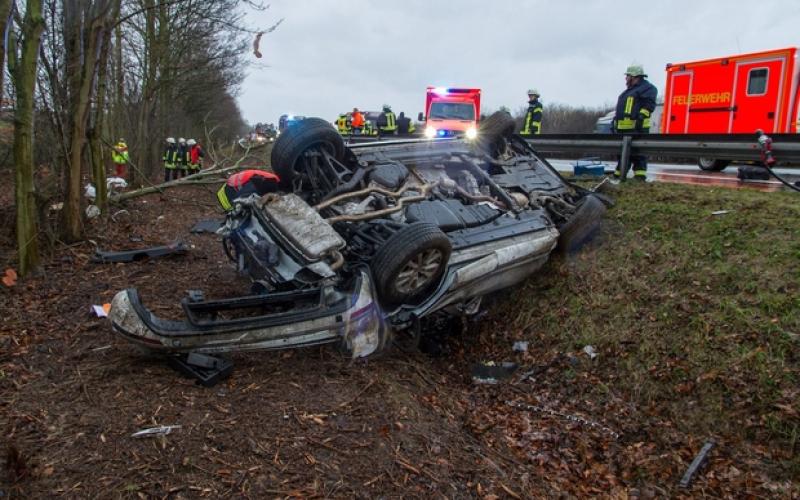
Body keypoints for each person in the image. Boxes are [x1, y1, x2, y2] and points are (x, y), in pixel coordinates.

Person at [612, 64, 657, 181]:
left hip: (637, 128)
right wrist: (615, 122)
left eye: (627, 76)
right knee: (623, 153)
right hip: (624, 129)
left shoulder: (647, 88)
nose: (626, 78)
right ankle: (619, 174)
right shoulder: (628, 91)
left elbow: (649, 105)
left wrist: (641, 117)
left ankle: (639, 176)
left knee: (638, 153)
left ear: (634, 76)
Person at [216, 169, 281, 211]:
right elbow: (241, 199)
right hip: (228, 197)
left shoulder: (268, 178)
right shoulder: (267, 182)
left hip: (225, 190)